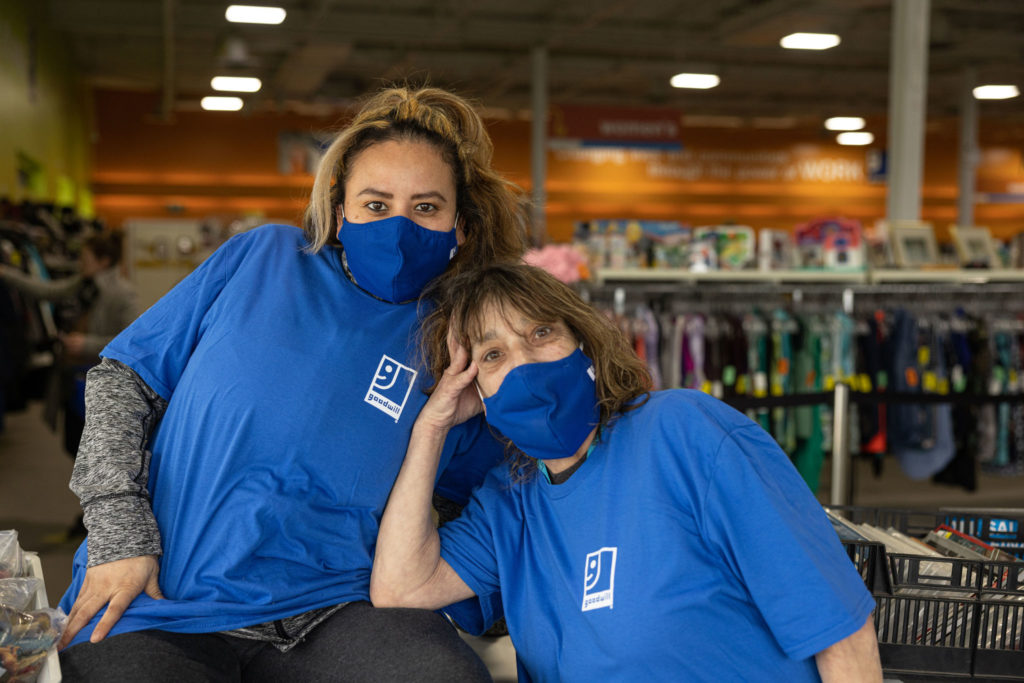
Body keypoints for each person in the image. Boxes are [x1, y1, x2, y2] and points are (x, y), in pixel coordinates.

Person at [56, 86, 527, 681]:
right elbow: (123, 382)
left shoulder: (454, 340)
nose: (399, 227)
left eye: (426, 208)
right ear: (339, 208)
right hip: (163, 599)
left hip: (335, 609)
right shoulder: (263, 259)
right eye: (376, 205)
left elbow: (490, 491)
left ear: (459, 223)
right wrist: (119, 534)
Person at [372, 263, 884, 682]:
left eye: (542, 332)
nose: (524, 363)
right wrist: (431, 427)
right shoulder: (511, 500)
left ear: (584, 340)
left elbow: (839, 630)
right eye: (492, 355)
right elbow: (401, 588)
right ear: (474, 392)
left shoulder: (685, 432)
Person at [0, 232, 137, 539]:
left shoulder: (122, 293)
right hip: (76, 379)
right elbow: (47, 291)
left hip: (99, 382)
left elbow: (132, 338)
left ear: (103, 261)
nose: (79, 263)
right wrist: (7, 274)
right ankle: (94, 512)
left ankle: (102, 517)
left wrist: (84, 343)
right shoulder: (84, 285)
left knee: (95, 452)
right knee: (76, 446)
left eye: (85, 258)